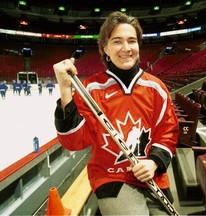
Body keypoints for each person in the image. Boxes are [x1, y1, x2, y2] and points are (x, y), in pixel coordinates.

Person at [53, 11, 178, 215]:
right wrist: (65, 90)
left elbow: (168, 131)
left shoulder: (156, 88)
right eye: (117, 41)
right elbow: (73, 142)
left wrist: (154, 162)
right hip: (111, 177)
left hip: (152, 176)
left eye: (132, 41)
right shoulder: (91, 89)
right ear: (105, 48)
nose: (126, 48)